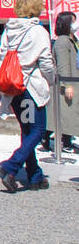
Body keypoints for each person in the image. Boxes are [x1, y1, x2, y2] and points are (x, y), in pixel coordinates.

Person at [0, 0, 56, 192]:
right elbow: (45, 61)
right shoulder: (38, 32)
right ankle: (10, 166)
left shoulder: (9, 30)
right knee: (38, 130)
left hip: (13, 87)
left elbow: (1, 57)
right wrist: (52, 78)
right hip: (31, 86)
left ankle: (35, 175)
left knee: (27, 131)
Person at [43, 11, 77, 154]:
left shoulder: (71, 39)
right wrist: (67, 84)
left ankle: (66, 140)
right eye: (73, 21)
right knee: (65, 113)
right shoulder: (63, 41)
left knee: (68, 113)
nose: (76, 24)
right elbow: (63, 65)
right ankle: (54, 141)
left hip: (73, 81)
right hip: (67, 83)